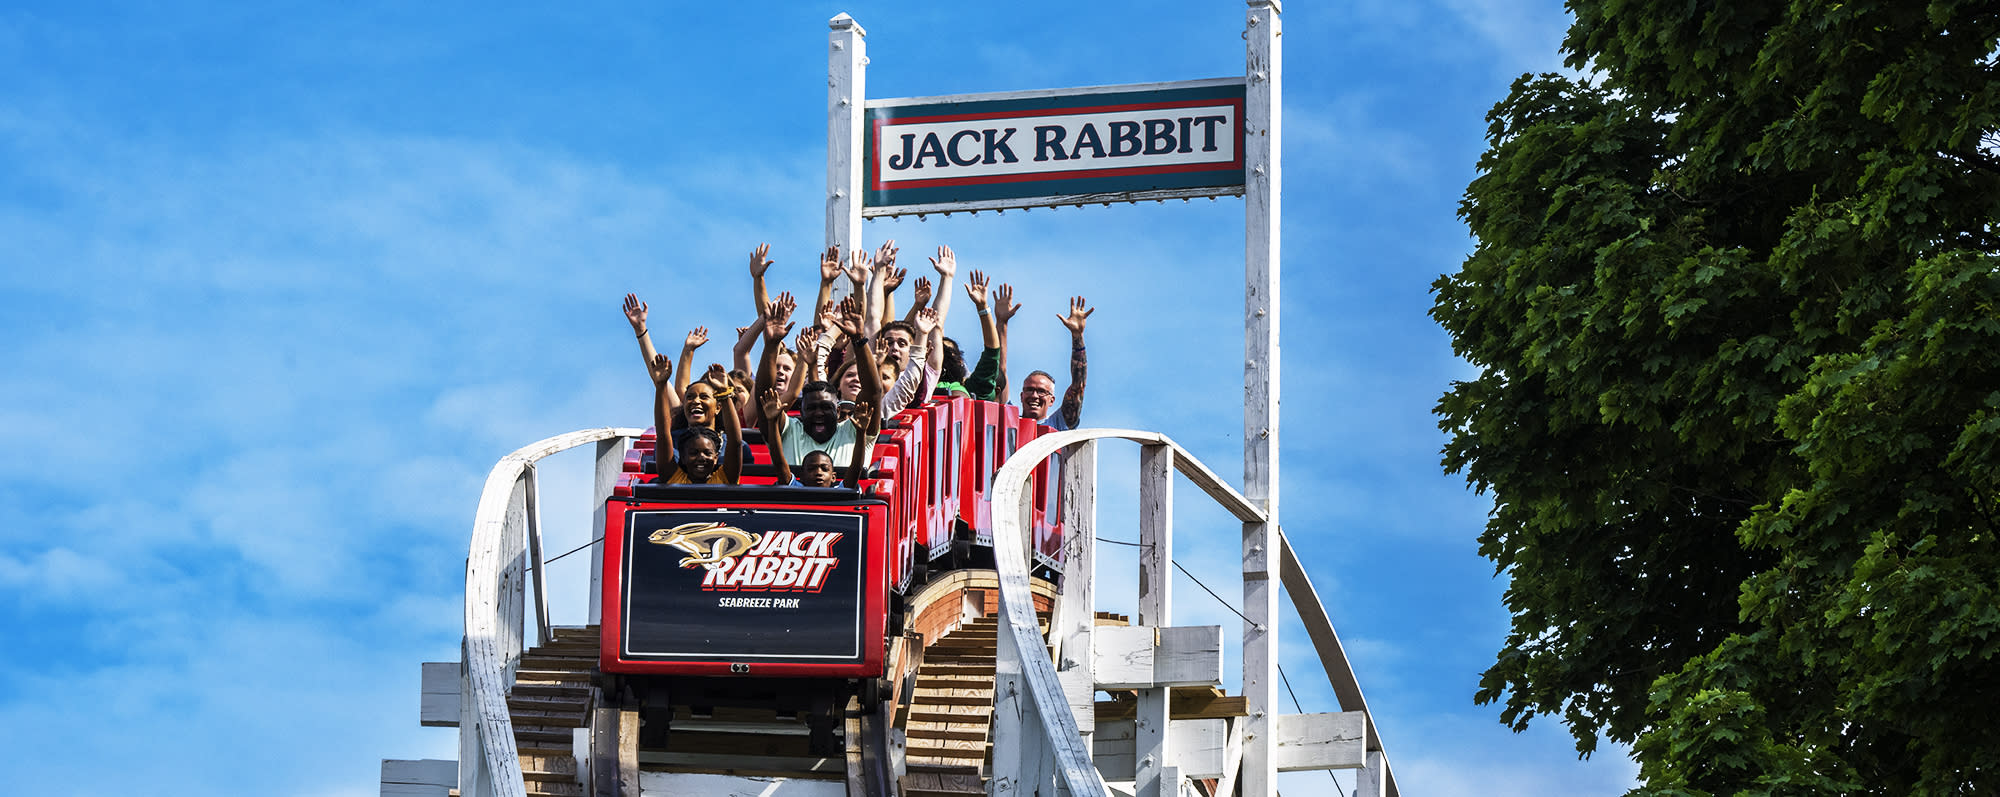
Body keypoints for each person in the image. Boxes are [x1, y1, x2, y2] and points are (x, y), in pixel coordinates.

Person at [756, 290, 882, 466]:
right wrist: (771, 346)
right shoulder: (789, 431)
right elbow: (764, 397)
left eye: (826, 407)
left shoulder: (855, 430)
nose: (818, 413)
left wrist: (859, 340)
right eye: (812, 408)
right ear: (801, 412)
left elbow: (873, 393)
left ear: (838, 412)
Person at [651, 354, 744, 484]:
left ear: (716, 457)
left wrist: (724, 393)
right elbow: (662, 434)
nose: (701, 458)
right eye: (693, 453)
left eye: (707, 453)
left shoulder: (724, 478)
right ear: (683, 457)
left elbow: (736, 442)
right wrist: (661, 386)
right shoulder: (673, 477)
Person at [763, 388, 877, 489]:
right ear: (801, 476)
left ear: (833, 477)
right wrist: (772, 422)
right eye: (811, 469)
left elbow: (856, 468)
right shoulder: (794, 487)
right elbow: (779, 463)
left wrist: (861, 432)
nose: (818, 473)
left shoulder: (841, 490)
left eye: (824, 468)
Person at [1021, 296, 1092, 431]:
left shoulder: (1058, 423)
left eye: (1042, 391)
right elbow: (1001, 373)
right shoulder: (1011, 424)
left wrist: (1077, 336)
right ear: (1021, 395)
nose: (1034, 395)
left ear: (1052, 400)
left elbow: (1078, 386)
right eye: (1030, 389)